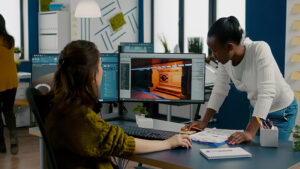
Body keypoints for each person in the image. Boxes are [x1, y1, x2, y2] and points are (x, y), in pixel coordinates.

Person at [45, 40, 192, 169]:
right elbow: (122, 144)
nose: (102, 71)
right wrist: (168, 143)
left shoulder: (56, 106)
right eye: (100, 66)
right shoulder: (81, 119)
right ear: (92, 76)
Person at [187, 16, 298, 144]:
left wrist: (250, 132)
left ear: (229, 47)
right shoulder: (225, 60)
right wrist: (204, 122)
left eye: (215, 50)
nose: (213, 55)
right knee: (254, 153)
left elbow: (267, 93)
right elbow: (220, 89)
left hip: (281, 111)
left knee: (273, 156)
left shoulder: (260, 49)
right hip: (258, 111)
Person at [0, 14, 19, 154]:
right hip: (12, 81)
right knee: (8, 110)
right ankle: (13, 137)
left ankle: (1, 145)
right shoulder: (10, 40)